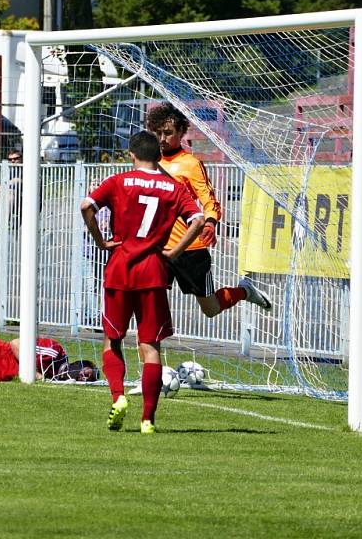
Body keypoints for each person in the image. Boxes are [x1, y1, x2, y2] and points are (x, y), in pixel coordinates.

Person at [81, 130, 205, 435]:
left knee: (113, 339)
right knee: (150, 346)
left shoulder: (119, 181)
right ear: (159, 156)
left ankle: (118, 397)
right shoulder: (172, 188)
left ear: (132, 154)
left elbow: (86, 206)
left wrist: (100, 241)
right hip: (153, 271)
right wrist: (175, 250)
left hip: (120, 268)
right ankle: (148, 420)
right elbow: (199, 220)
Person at [146, 102, 271, 317]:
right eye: (158, 133)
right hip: (159, 248)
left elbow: (209, 200)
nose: (162, 139)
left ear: (181, 132)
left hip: (190, 248)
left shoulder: (190, 164)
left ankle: (244, 292)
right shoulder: (148, 162)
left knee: (210, 309)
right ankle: (151, 344)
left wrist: (211, 222)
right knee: (150, 301)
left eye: (168, 133)